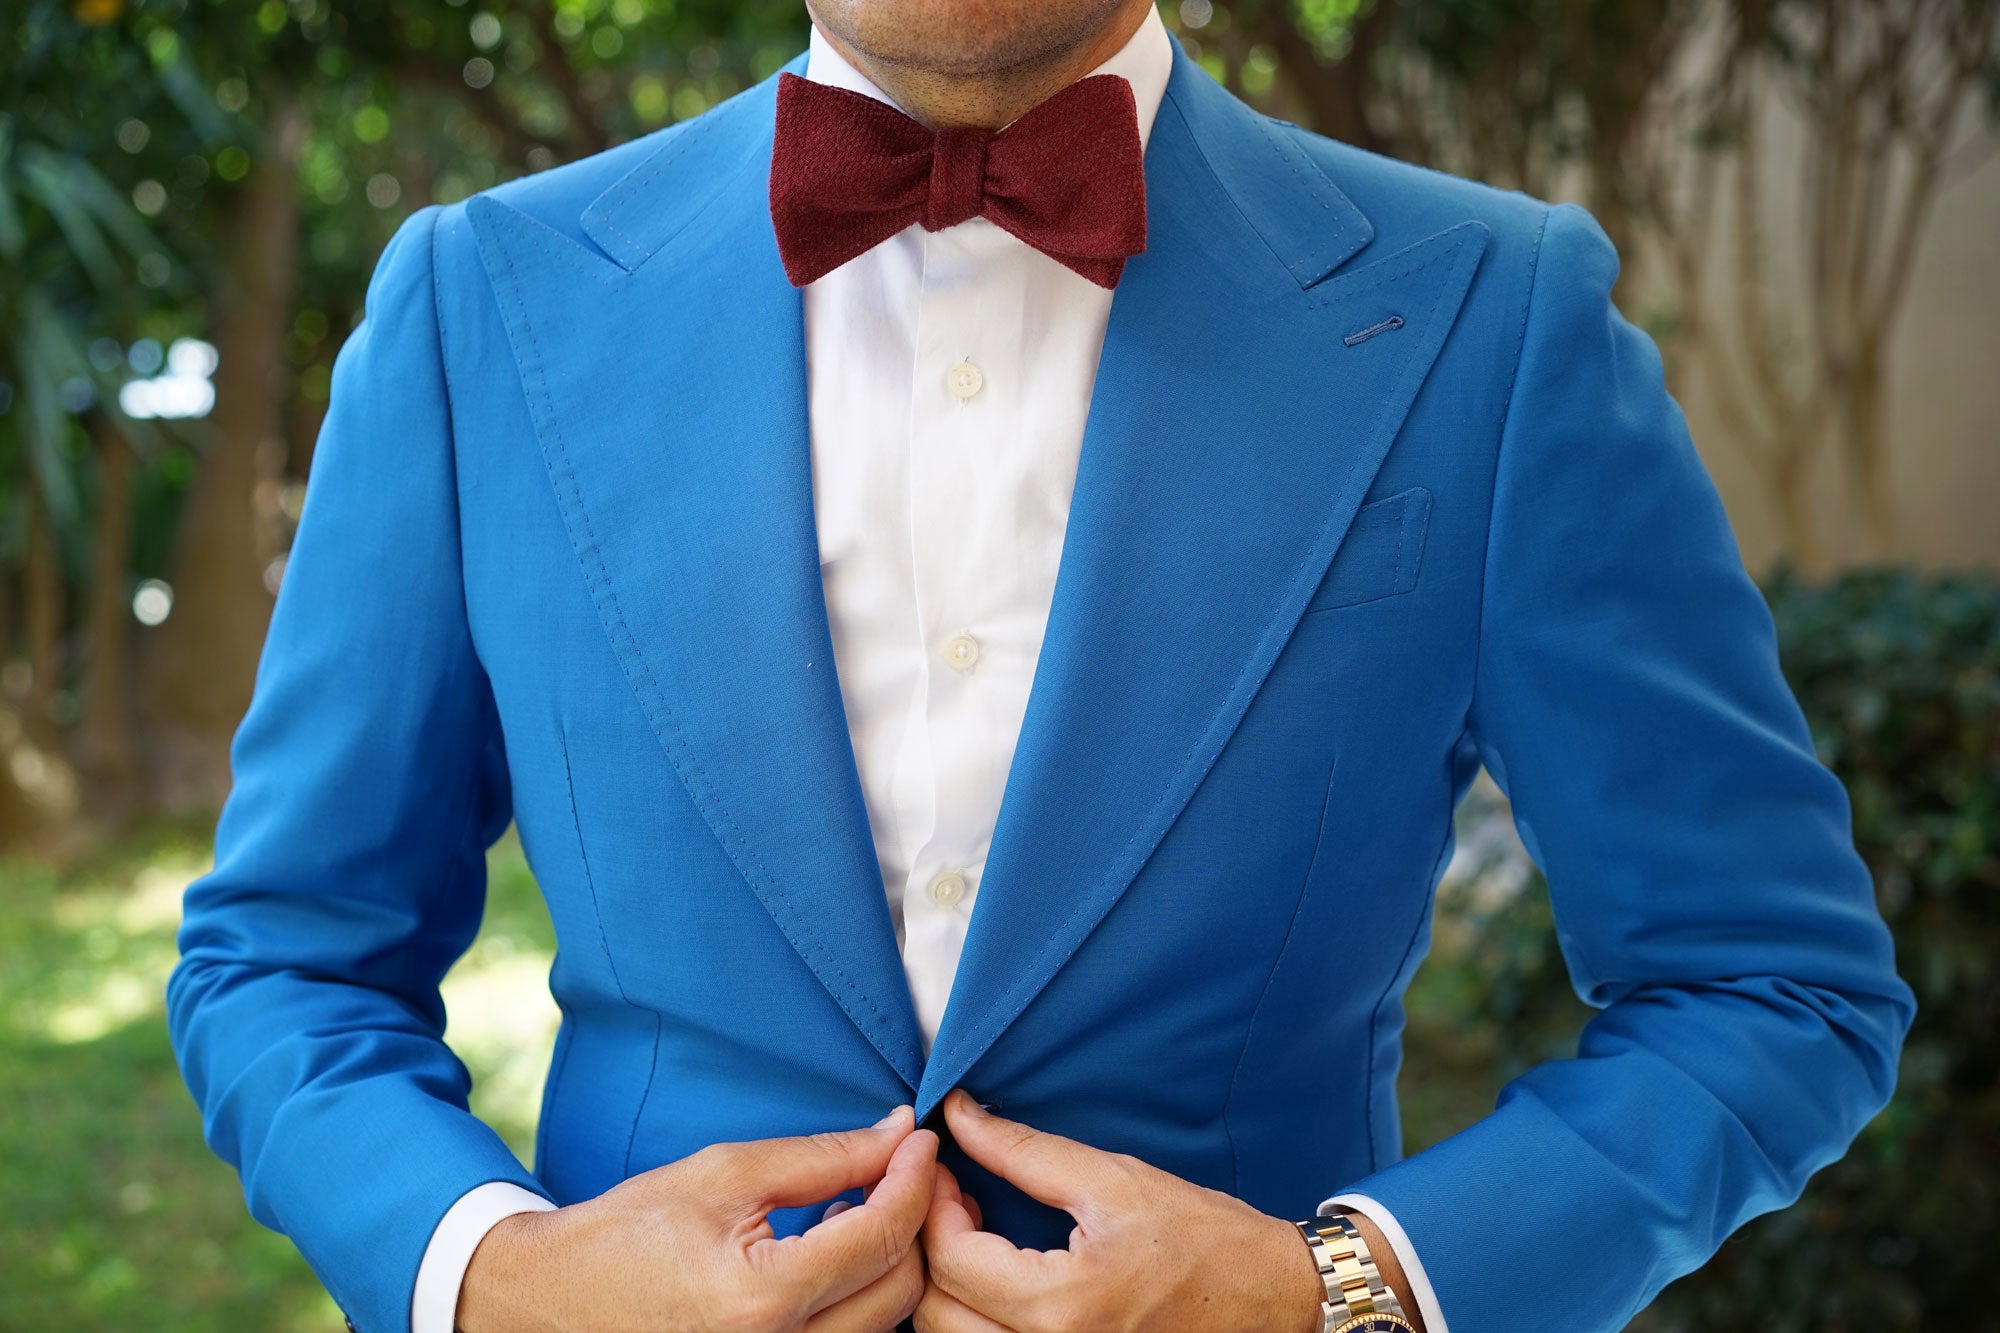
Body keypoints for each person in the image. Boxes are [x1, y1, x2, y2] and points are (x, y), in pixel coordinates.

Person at [165, 0, 1916, 1329]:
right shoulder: (481, 304)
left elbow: (1771, 983)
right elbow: (285, 960)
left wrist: (1346, 1291)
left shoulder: (1493, 315)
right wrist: (498, 1278)